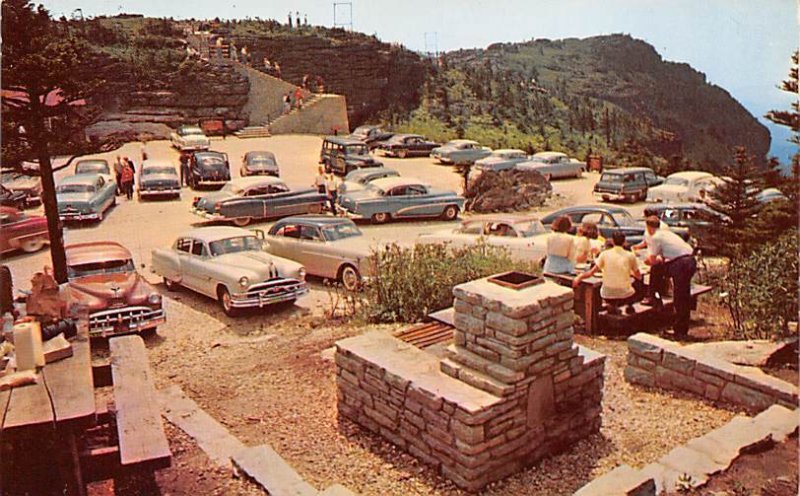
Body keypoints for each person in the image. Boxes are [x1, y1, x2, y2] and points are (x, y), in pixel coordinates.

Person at [643, 216, 697, 338]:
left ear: (649, 228)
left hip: (681, 264)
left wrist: (645, 261)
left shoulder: (655, 237)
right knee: (658, 270)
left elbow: (652, 260)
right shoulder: (666, 234)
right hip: (689, 260)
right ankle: (655, 296)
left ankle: (680, 331)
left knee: (680, 298)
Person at [573, 232, 642, 315]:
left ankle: (612, 305)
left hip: (607, 293)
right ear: (624, 242)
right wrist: (630, 273)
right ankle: (630, 306)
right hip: (625, 294)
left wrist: (579, 277)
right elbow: (639, 276)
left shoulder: (604, 254)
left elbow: (591, 272)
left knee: (608, 287)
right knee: (637, 283)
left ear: (612, 241)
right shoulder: (630, 256)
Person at [632, 209, 669, 305]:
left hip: (659, 255)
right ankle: (641, 294)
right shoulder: (649, 225)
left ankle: (651, 296)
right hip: (650, 253)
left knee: (651, 273)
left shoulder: (662, 227)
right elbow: (646, 241)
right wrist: (637, 247)